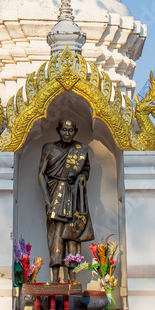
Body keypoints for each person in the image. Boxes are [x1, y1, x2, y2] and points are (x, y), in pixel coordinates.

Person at [39, 119, 94, 283]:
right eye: (64, 130)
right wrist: (47, 200)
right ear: (58, 130)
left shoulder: (81, 150)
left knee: (73, 236)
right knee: (55, 236)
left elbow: (85, 169)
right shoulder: (49, 149)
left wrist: (82, 177)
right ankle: (55, 280)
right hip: (55, 195)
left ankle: (73, 280)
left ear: (75, 132)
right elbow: (41, 174)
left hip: (73, 195)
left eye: (71, 130)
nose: (67, 133)